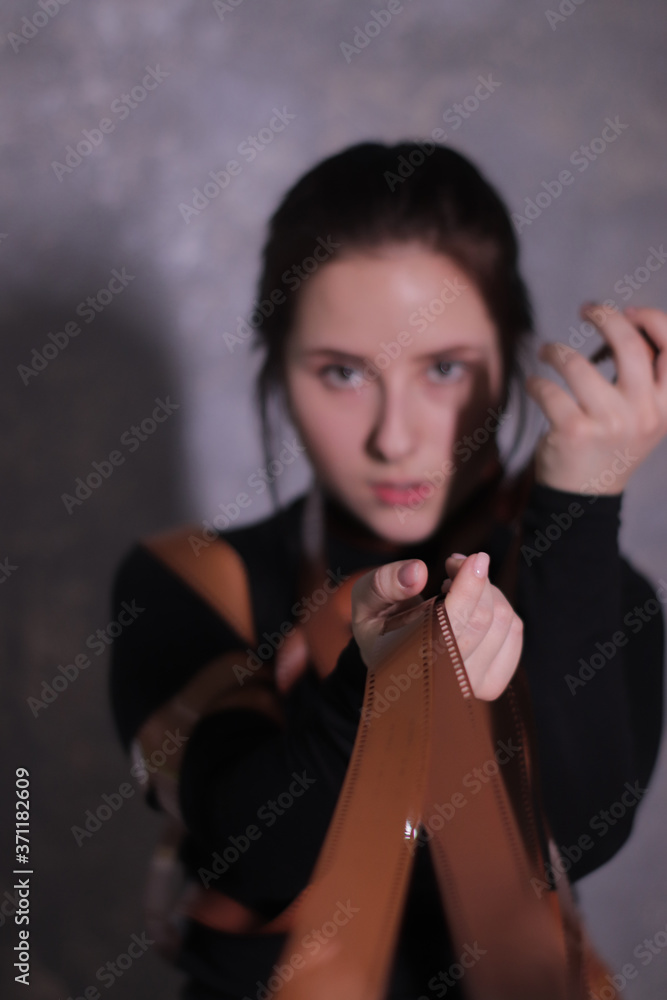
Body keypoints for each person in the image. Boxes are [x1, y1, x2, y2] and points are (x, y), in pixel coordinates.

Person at [110, 141, 666, 999]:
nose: (393, 437)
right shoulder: (188, 582)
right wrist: (367, 693)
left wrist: (581, 510)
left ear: (512, 357)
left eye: (442, 368)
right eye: (341, 373)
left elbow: (578, 831)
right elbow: (241, 847)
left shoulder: (592, 590)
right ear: (277, 368)